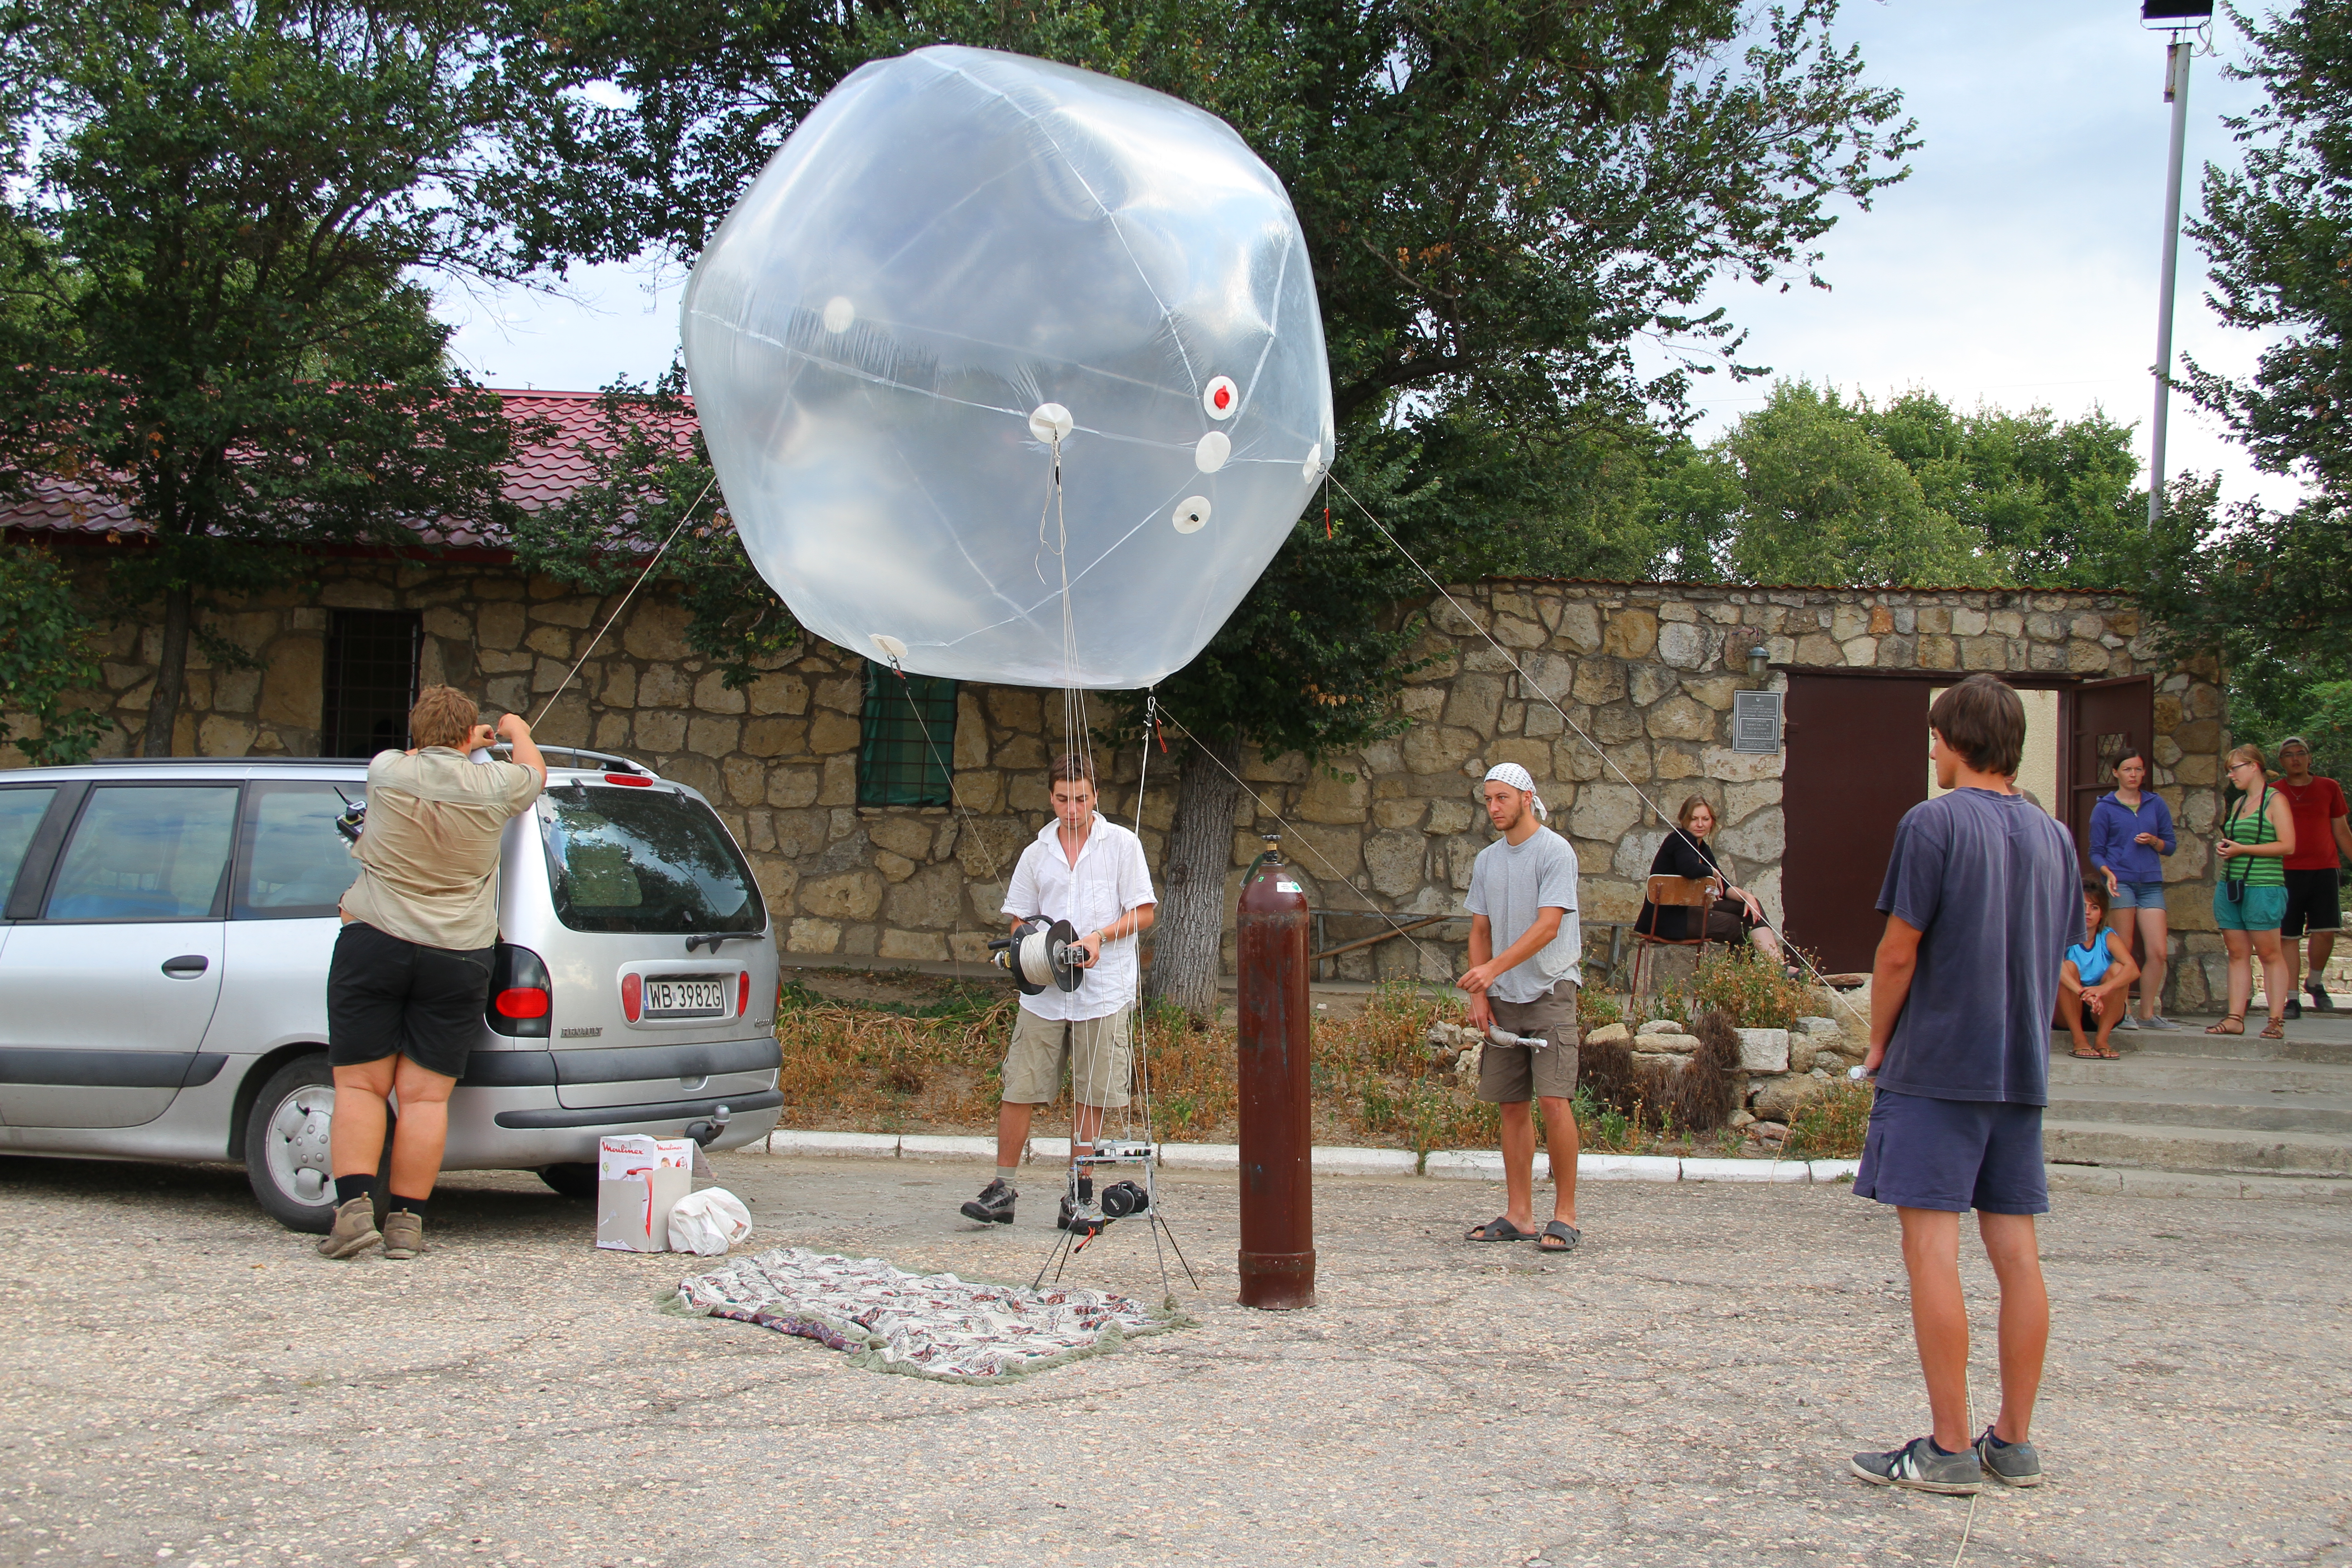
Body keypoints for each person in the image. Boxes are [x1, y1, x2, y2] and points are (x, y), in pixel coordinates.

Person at [1850, 673, 2078, 1495]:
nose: (1929, 747)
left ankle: (1946, 1447)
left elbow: (1897, 951)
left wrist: (1876, 1042)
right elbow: (2052, 952)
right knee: (2016, 1253)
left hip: (1939, 1068)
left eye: (1935, 735)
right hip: (2019, 1070)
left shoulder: (1931, 823)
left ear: (1959, 741)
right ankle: (2010, 1443)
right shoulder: (2055, 837)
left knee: (1929, 1249)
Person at [318, 687, 546, 1260]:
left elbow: (426, 755)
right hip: (459, 955)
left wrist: (458, 737)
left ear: (414, 731)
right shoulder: (498, 786)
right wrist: (516, 730)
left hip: (376, 940)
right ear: (469, 733)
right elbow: (534, 772)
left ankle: (351, 1216)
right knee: (424, 1100)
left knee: (361, 1086)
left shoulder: (387, 772)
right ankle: (407, 1225)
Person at [961, 753, 1156, 1233]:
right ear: (1051, 797)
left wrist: (1098, 939)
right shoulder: (1036, 853)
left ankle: (1078, 1193)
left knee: (1092, 1094)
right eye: (1064, 799)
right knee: (1020, 1087)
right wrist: (1035, 949)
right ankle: (1001, 1189)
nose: (1072, 808)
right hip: (1045, 995)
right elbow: (1019, 921)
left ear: (1097, 797)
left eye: (1081, 799)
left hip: (1104, 991)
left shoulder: (1122, 846)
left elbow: (1145, 913)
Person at [1457, 761, 1584, 1255]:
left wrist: (1491, 970)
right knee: (1512, 1105)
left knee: (1554, 1101)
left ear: (1527, 797)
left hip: (1551, 989)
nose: (1493, 808)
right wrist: (1480, 992)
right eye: (1488, 800)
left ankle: (1566, 1215)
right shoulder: (1487, 860)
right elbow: (1480, 930)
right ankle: (1520, 1214)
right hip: (1503, 997)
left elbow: (1548, 926)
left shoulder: (1555, 852)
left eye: (1502, 799)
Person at [1635, 794, 1790, 969]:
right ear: (1684, 821)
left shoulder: (1702, 848)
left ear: (1712, 822)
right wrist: (1712, 872)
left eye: (1705, 819)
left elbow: (1723, 888)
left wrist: (1748, 897)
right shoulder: (1679, 839)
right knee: (1738, 927)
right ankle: (1737, 986)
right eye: (1694, 819)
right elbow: (1690, 869)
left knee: (1748, 909)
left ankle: (1777, 966)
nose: (1700, 824)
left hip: (1690, 912)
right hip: (1669, 919)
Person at [2210, 744, 2298, 1040]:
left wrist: (2243, 848)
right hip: (2232, 886)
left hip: (2263, 887)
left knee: (2270, 953)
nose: (2231, 775)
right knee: (2236, 952)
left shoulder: (2276, 801)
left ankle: (2276, 1019)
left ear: (2253, 766)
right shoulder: (2237, 804)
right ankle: (2235, 1016)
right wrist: (2228, 849)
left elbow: (2288, 845)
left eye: (2234, 769)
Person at [2086, 750, 2177, 1031]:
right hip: (2120, 881)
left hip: (2150, 883)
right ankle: (2121, 1012)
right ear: (2116, 773)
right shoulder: (2105, 807)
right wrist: (2108, 873)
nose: (2134, 775)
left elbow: (2170, 846)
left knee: (2158, 951)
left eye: (2138, 769)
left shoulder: (2155, 803)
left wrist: (2154, 842)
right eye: (2128, 769)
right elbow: (2096, 852)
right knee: (2124, 950)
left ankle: (2148, 1014)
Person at [2274, 737, 2352, 1018]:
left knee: (2326, 931)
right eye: (2289, 755)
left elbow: (2342, 832)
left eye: (2301, 753)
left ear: (2309, 758)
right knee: (2288, 935)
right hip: (2285, 871)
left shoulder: (2329, 787)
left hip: (2324, 868)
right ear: (2281, 761)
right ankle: (2292, 998)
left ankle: (2315, 982)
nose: (2295, 759)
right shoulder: (2273, 792)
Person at [2058, 875, 2139, 1061]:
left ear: (2102, 913)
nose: (2088, 912)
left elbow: (2133, 970)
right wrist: (2083, 993)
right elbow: (2054, 968)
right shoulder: (2063, 935)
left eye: (2094, 907)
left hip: (2102, 1010)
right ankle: (2079, 1040)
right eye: (2083, 906)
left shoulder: (2107, 936)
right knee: (2066, 967)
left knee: (2120, 969)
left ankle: (2102, 1041)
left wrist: (2101, 990)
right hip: (2068, 1010)